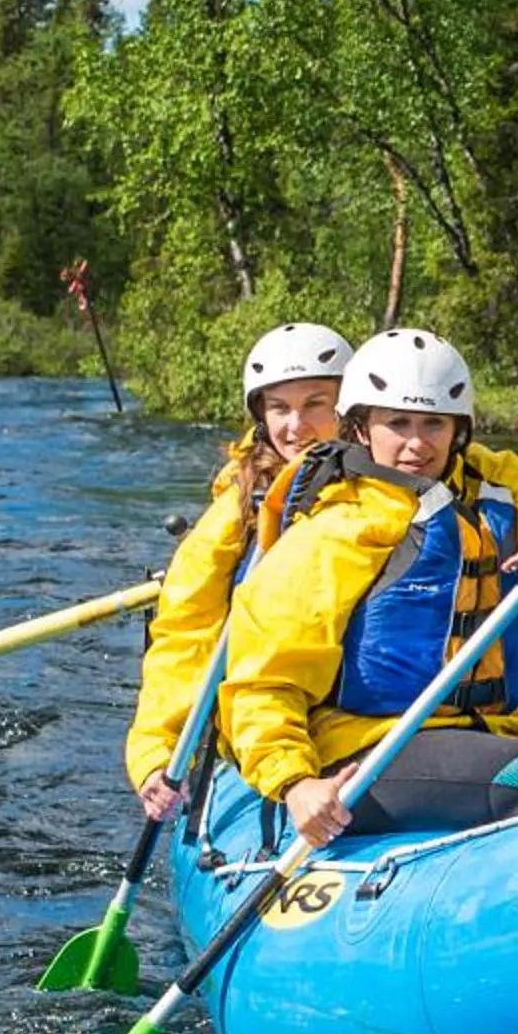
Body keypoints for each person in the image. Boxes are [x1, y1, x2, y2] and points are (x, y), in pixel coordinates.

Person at [218, 327, 518, 847]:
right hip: (359, 746)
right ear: (360, 428)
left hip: (458, 721)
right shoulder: (337, 530)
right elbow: (263, 679)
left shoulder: (483, 484)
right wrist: (294, 781)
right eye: (396, 423)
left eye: (433, 424)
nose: (417, 443)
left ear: (457, 430)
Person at [123, 321, 353, 820]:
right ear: (261, 415)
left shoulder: (392, 478)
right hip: (270, 727)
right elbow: (186, 637)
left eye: (316, 404)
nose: (296, 426)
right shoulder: (236, 511)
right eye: (280, 409)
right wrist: (155, 756)